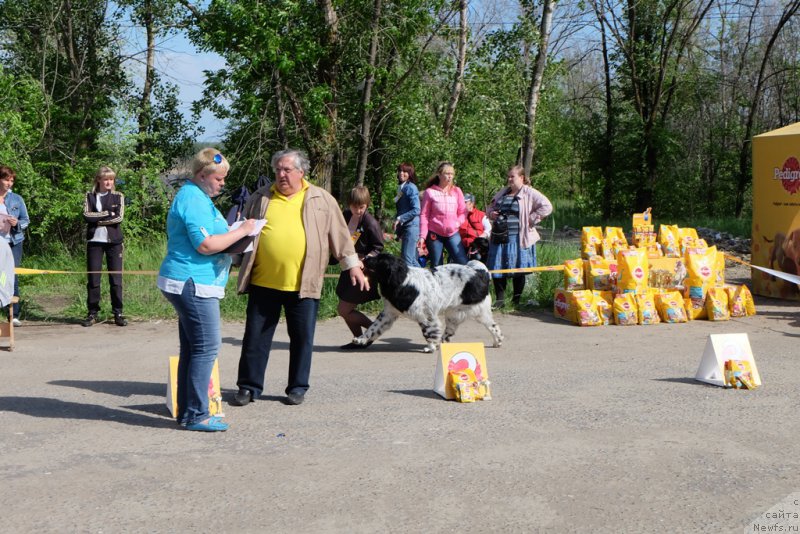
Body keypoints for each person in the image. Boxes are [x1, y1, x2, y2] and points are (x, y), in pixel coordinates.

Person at [232, 149, 368, 407]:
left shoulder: (321, 199)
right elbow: (243, 233)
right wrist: (232, 261)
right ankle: (248, 387)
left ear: (301, 172)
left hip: (303, 285)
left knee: (302, 339)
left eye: (287, 170)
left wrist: (353, 266)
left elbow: (340, 236)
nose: (281, 175)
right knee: (255, 338)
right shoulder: (260, 197)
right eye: (278, 170)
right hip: (264, 282)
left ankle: (297, 387)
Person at [158, 148, 257, 432]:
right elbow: (206, 245)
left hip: (194, 281)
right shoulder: (193, 199)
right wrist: (243, 230)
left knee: (193, 348)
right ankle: (197, 414)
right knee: (206, 347)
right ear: (203, 175)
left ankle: (190, 411)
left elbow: (212, 236)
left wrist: (235, 231)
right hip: (193, 283)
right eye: (219, 179)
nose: (223, 184)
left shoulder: (198, 197)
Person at [487, 165, 553, 308]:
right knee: (498, 270)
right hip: (500, 237)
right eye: (509, 176)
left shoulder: (529, 192)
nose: (509, 179)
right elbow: (490, 207)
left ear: (521, 178)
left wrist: (532, 218)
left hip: (519, 238)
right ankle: (499, 301)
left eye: (513, 176)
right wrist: (491, 213)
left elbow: (547, 206)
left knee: (518, 270)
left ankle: (516, 302)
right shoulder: (503, 192)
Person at [338, 186, 384, 349]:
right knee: (344, 309)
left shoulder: (370, 223)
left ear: (366, 205)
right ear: (349, 204)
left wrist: (365, 259)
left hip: (363, 270)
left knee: (344, 309)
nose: (357, 210)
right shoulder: (344, 216)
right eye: (354, 206)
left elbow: (378, 247)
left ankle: (373, 330)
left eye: (361, 207)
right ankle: (359, 339)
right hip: (347, 266)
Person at [82, 166, 127, 327]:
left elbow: (119, 218)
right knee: (93, 279)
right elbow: (86, 215)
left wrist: (98, 220)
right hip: (94, 242)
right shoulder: (89, 196)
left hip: (114, 243)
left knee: (116, 280)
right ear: (99, 180)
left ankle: (118, 312)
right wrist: (107, 213)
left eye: (111, 179)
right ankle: (92, 312)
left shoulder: (118, 196)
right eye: (106, 179)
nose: (109, 182)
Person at [418, 161, 468, 267]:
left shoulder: (457, 191)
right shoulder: (429, 192)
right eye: (447, 173)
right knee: (437, 266)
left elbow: (463, 212)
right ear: (439, 175)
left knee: (463, 263)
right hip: (434, 234)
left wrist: (457, 223)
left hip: (452, 233)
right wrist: (422, 236)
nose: (450, 176)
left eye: (452, 174)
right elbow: (424, 215)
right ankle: (438, 284)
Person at [0, 165, 29, 326]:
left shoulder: (17, 199)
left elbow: (26, 221)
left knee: (12, 275)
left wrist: (16, 223)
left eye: (11, 181)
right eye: (6, 179)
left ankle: (13, 314)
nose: (9, 183)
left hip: (13, 242)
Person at [393, 162, 420, 267]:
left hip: (411, 227)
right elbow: (402, 209)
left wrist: (400, 218)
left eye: (405, 171)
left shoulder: (411, 188)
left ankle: (412, 283)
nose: (401, 173)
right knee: (412, 260)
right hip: (406, 228)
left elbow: (416, 209)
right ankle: (425, 280)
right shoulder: (401, 187)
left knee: (407, 261)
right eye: (400, 171)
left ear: (410, 173)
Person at [459, 193, 491, 262]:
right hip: (461, 246)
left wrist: (479, 239)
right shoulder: (459, 215)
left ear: (472, 203)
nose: (462, 204)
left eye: (465, 202)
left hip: (477, 247)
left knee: (477, 259)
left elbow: (489, 229)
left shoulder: (481, 215)